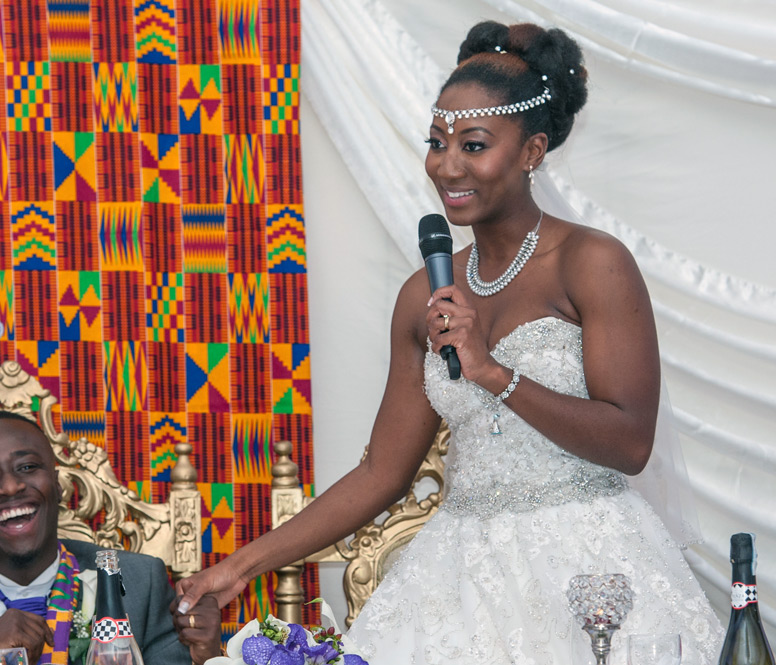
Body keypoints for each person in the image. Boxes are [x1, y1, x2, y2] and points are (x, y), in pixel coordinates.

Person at [174, 20, 724, 664]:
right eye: (437, 143)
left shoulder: (592, 263)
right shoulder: (424, 294)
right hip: (460, 575)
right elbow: (382, 473)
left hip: (589, 571)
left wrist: (493, 373)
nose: (448, 165)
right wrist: (239, 567)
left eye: (474, 145)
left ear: (532, 151)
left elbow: (629, 444)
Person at [0, 411, 221, 665]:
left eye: (27, 467)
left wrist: (206, 656)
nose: (10, 487)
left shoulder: (138, 581)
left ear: (58, 485)